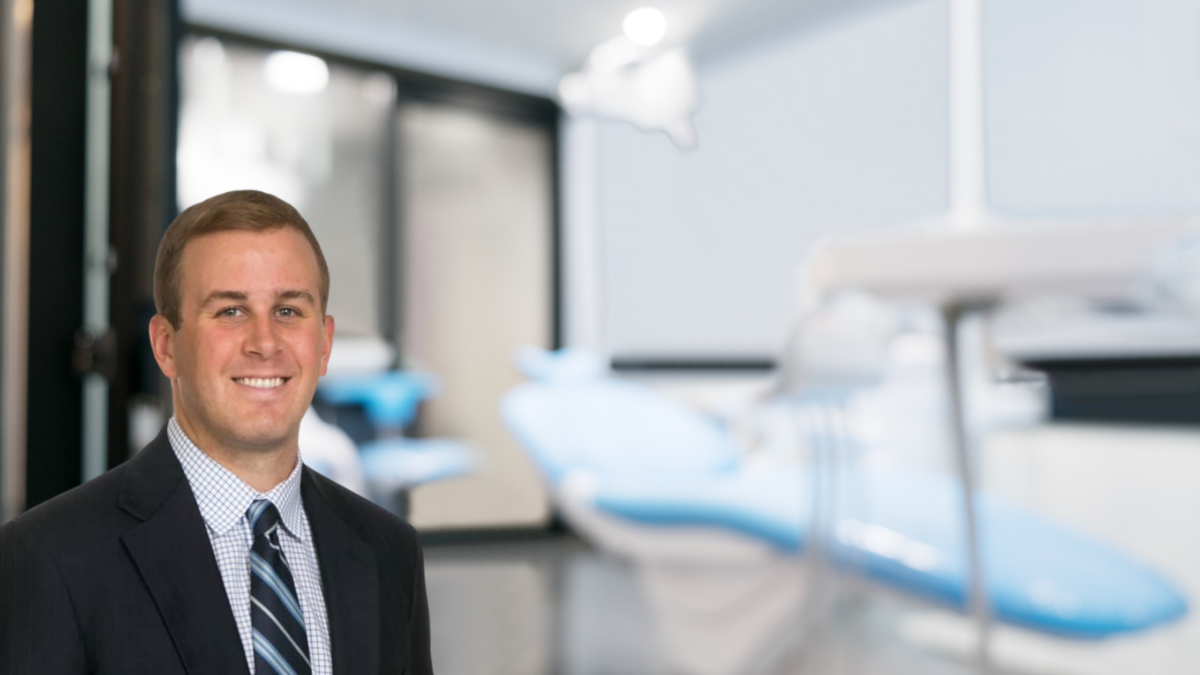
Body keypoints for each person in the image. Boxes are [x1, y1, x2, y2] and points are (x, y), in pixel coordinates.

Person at [0, 190, 432, 674]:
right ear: (166, 346)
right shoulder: (50, 557)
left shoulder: (390, 552)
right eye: (231, 311)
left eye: (288, 310)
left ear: (325, 342)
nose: (265, 343)